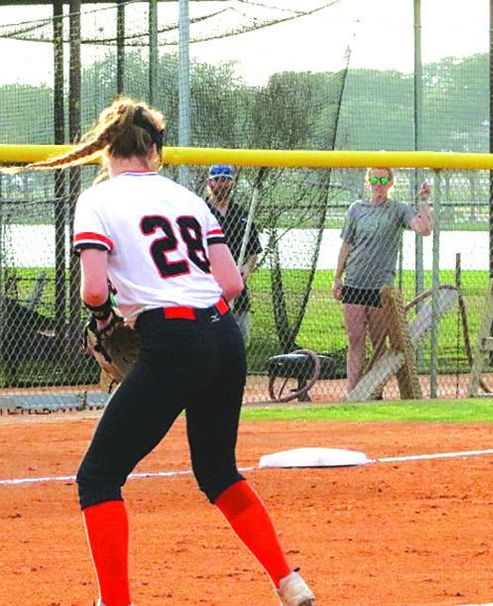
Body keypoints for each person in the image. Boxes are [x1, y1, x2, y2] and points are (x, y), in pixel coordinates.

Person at [16, 97, 314, 605]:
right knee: (218, 472)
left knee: (98, 477)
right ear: (154, 150)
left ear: (106, 149)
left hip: (173, 343)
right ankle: (289, 583)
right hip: (224, 337)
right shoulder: (188, 198)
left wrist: (108, 318)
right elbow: (229, 283)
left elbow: (92, 290)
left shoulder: (98, 200)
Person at [332, 167, 433, 392]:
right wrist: (337, 277)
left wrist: (424, 201)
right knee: (356, 337)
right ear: (368, 181)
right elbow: (346, 244)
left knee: (378, 341)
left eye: (382, 179)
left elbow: (424, 229)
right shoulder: (357, 209)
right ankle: (353, 390)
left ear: (390, 182)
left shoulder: (397, 209)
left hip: (380, 286)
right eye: (374, 179)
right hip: (355, 281)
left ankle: (373, 390)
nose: (378, 184)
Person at [204, 163, 261, 343]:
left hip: (237, 289)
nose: (222, 184)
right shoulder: (201, 213)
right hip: (208, 288)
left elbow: (253, 250)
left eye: (226, 180)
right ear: (210, 183)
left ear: (232, 183)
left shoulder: (242, 214)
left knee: (239, 340)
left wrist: (247, 267)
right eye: (218, 180)